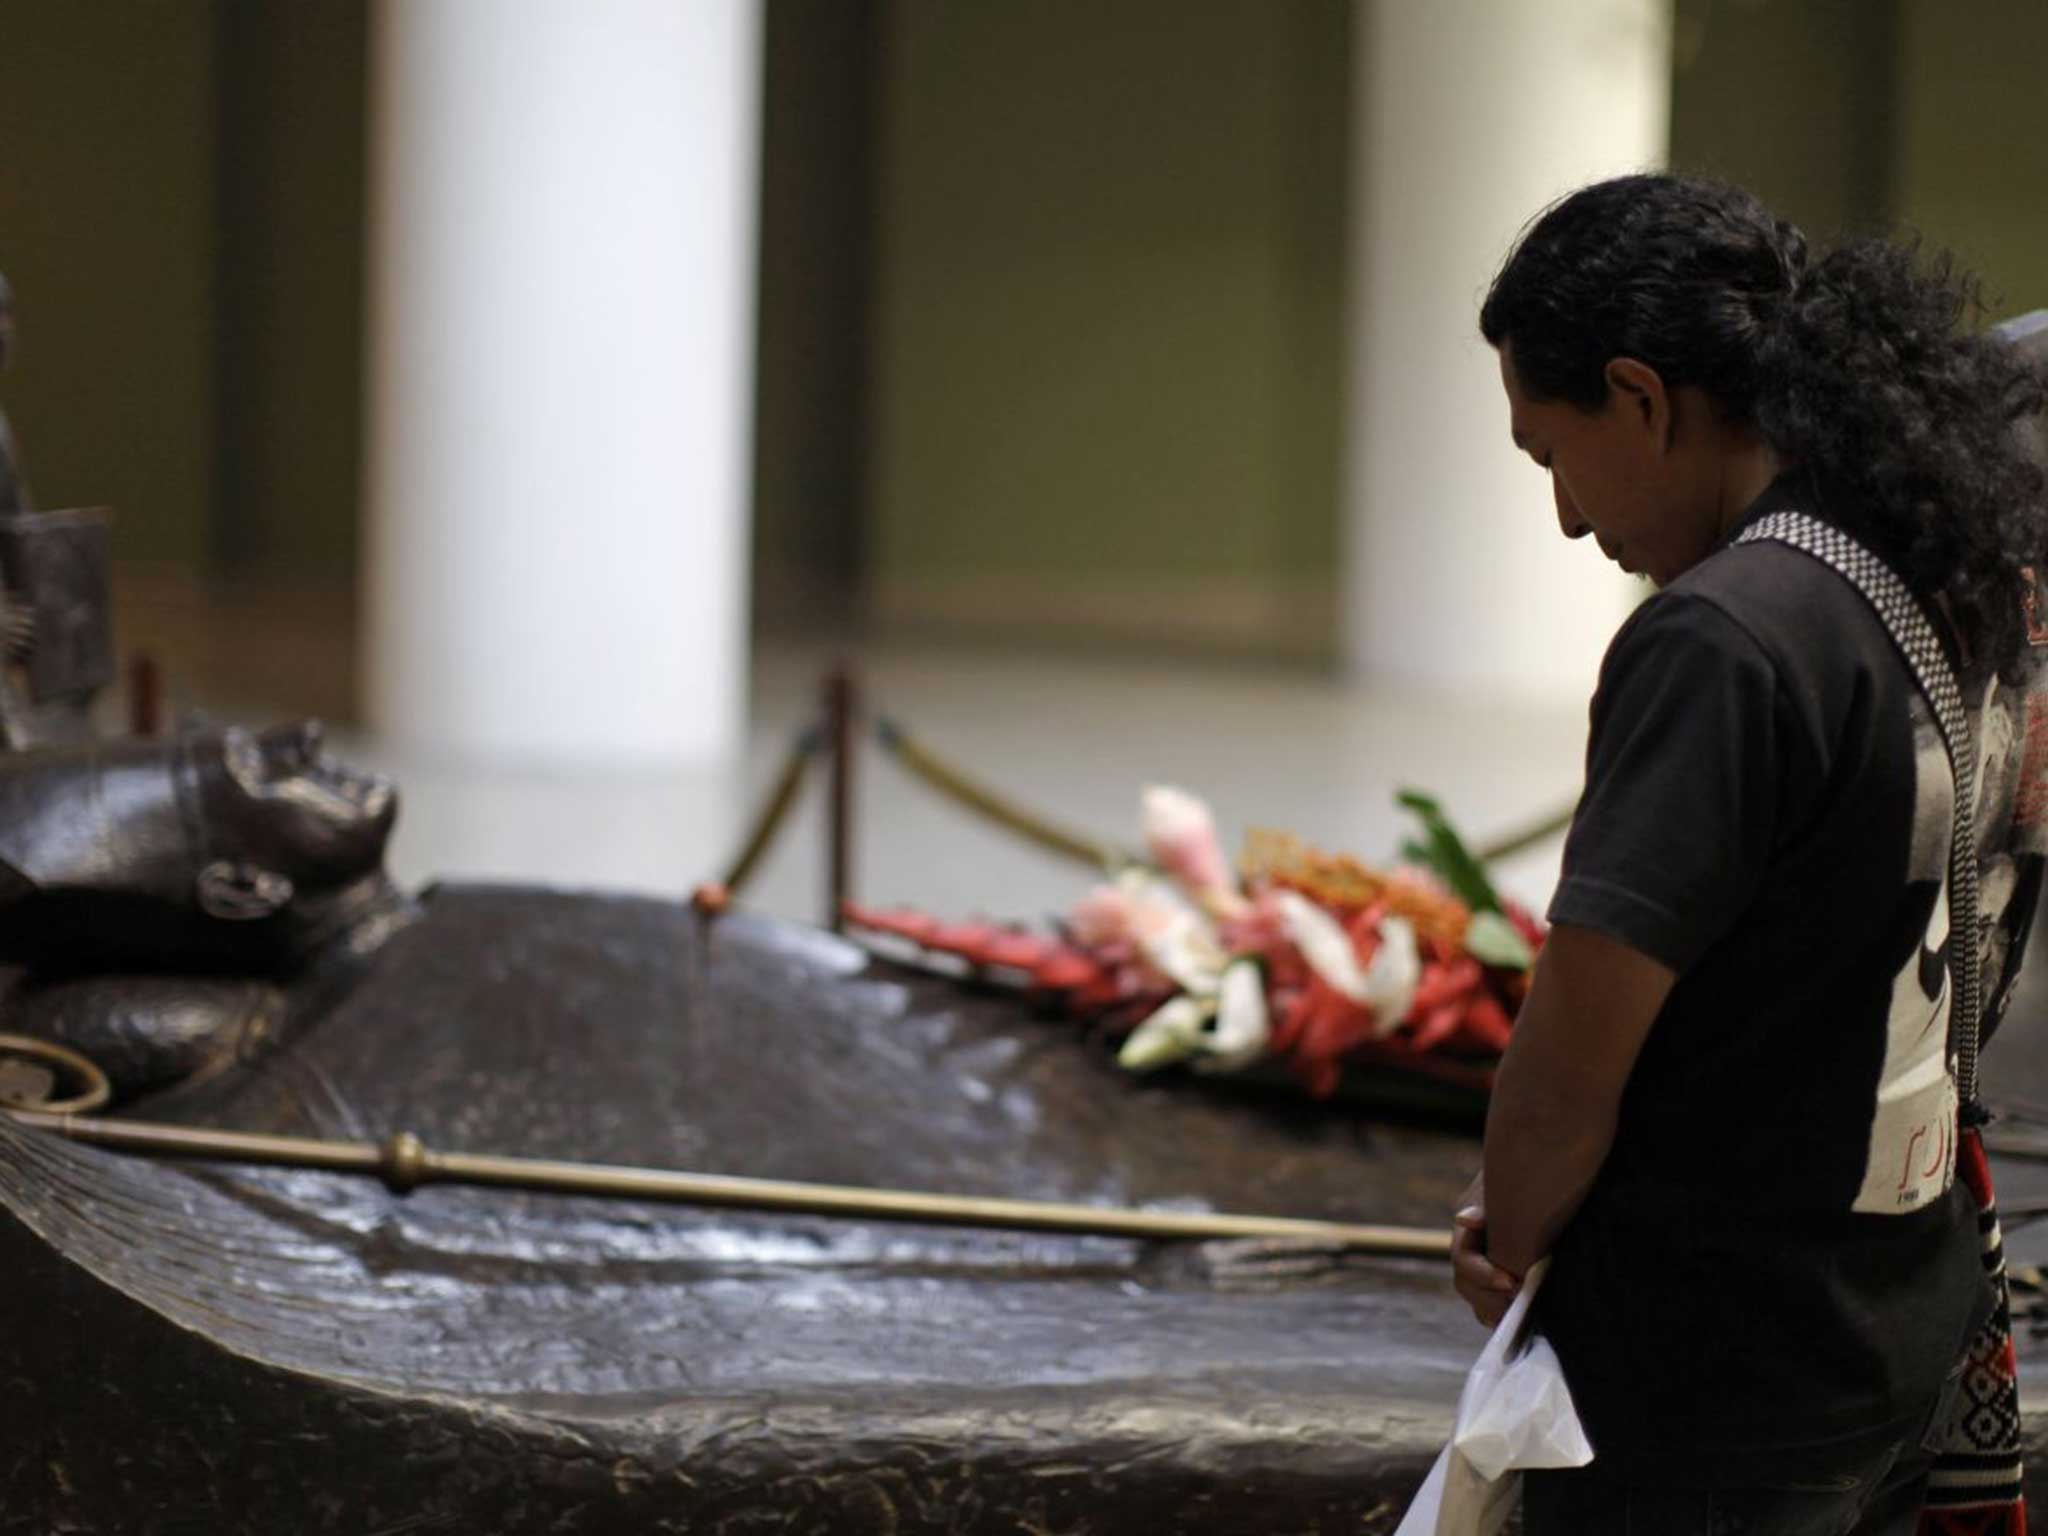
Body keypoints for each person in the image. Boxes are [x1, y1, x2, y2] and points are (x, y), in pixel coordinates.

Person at [1449, 173, 2048, 1534]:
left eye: (1551, 454)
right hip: (1897, 1316)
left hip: (1713, 1370)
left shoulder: (1727, 639)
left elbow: (1569, 1062)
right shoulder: (1951, 569)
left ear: (1644, 399)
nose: (1563, 517)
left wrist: (1513, 1227)